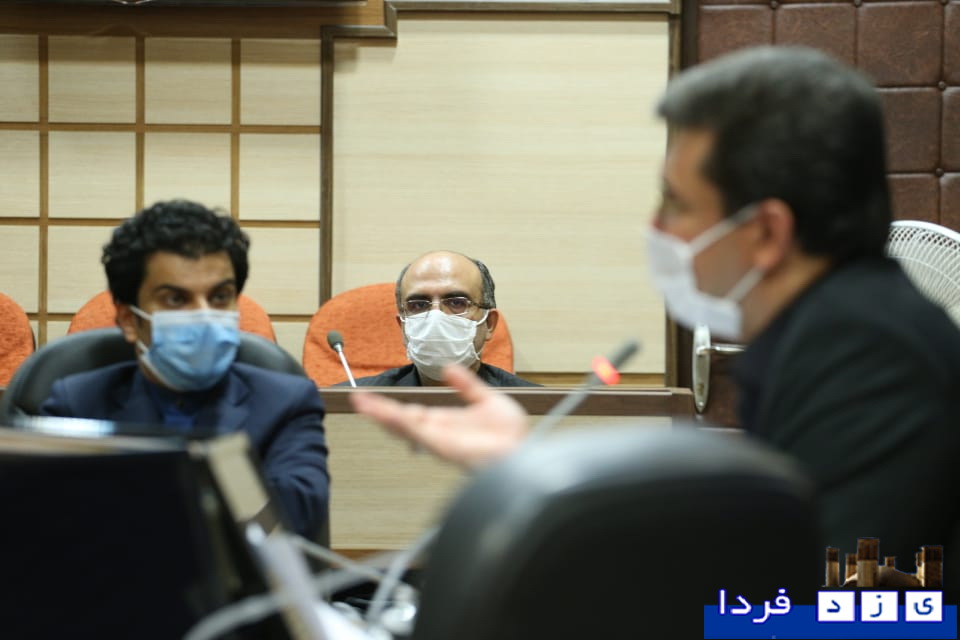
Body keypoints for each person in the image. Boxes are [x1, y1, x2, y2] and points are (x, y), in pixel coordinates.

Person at [351, 47, 960, 596]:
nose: (657, 230)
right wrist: (528, 468)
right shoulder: (825, 335)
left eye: (677, 203)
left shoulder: (867, 358)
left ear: (767, 233)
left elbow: (830, 611)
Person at [40, 200, 330, 539]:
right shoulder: (76, 404)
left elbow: (296, 513)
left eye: (219, 297)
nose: (203, 315)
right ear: (129, 320)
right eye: (176, 299)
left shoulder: (286, 402)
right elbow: (46, 521)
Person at [346, 250, 538, 387]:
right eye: (418, 305)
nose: (436, 317)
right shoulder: (349, 405)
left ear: (489, 324)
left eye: (456, 303)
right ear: (403, 327)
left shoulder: (536, 409)